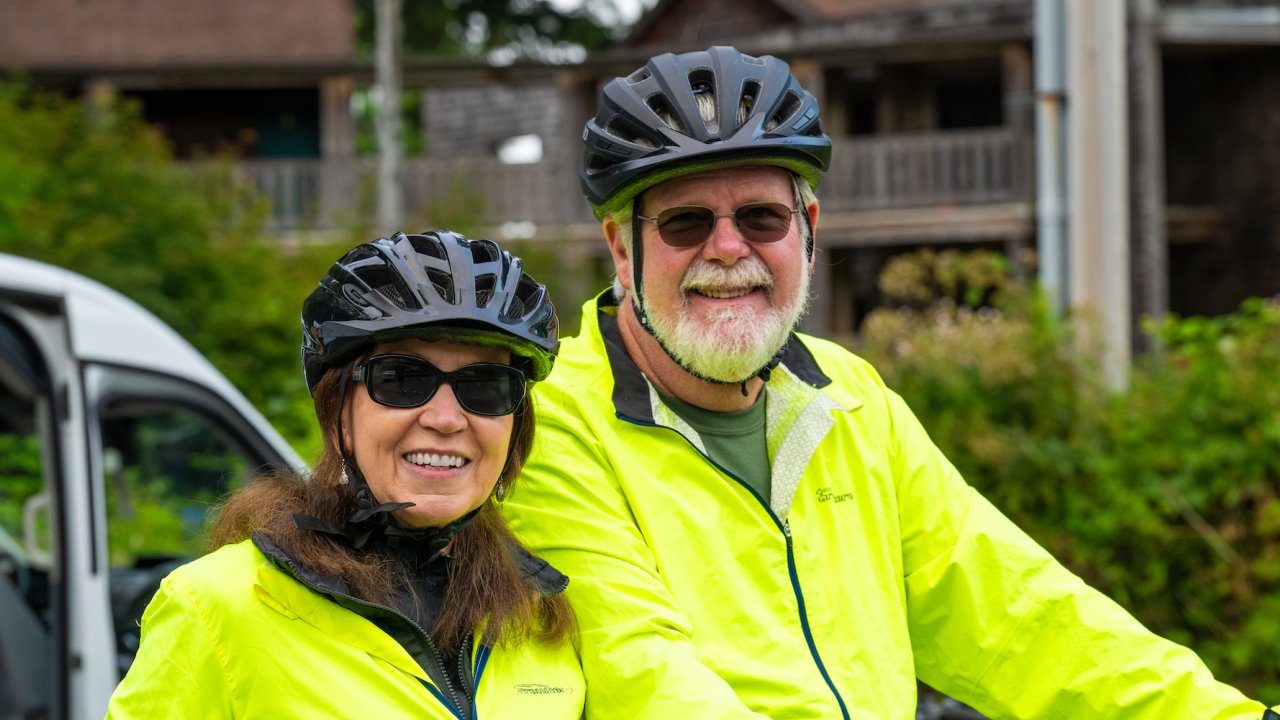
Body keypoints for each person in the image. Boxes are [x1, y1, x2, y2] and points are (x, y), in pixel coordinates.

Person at [502, 46, 1278, 719]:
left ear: (809, 231)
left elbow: (1021, 612)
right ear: (622, 248)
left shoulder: (848, 396)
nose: (728, 248)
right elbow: (643, 678)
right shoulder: (550, 422)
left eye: (763, 219)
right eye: (685, 223)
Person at [107, 231, 583, 718]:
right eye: (402, 380)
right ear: (339, 412)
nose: (446, 418)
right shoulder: (215, 607)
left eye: (485, 387)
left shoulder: (542, 610)